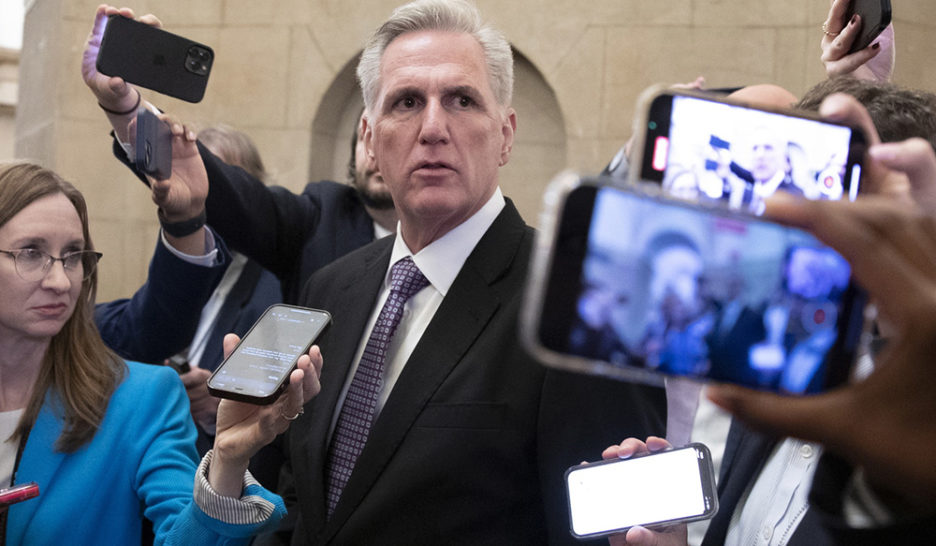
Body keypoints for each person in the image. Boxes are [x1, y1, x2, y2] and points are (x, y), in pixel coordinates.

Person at [244, 0, 660, 543]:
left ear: (506, 134)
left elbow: (607, 533)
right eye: (407, 102)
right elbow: (307, 501)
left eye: (462, 100)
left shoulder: (583, 302)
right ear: (370, 138)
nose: (434, 127)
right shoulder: (332, 289)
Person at [0, 160, 323, 543]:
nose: (60, 280)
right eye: (31, 253)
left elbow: (184, 535)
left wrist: (227, 464)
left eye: (73, 256)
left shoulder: (140, 397)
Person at [81, 4, 399, 305]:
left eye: (393, 139)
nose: (375, 153)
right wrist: (123, 108)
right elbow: (221, 188)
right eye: (366, 136)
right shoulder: (320, 218)